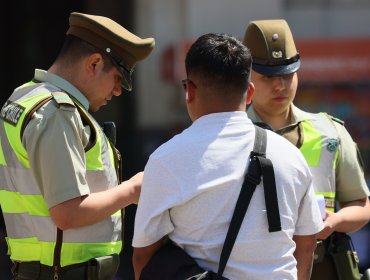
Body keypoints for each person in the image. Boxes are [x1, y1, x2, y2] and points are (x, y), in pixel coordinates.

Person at [132, 33, 323, 280]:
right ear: (250, 92)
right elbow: (306, 243)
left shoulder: (166, 159)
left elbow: (144, 258)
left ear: (189, 90)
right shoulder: (291, 156)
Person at [0, 12, 154, 279]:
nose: (118, 91)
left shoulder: (24, 96)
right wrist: (132, 190)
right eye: (118, 78)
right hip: (66, 272)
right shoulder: (58, 113)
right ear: (94, 63)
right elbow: (68, 212)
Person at [243, 19, 370, 279]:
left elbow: (361, 204)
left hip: (323, 267)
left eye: (287, 74)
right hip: (254, 269)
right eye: (267, 77)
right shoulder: (232, 135)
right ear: (246, 78)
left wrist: (333, 222)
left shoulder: (330, 132)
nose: (279, 86)